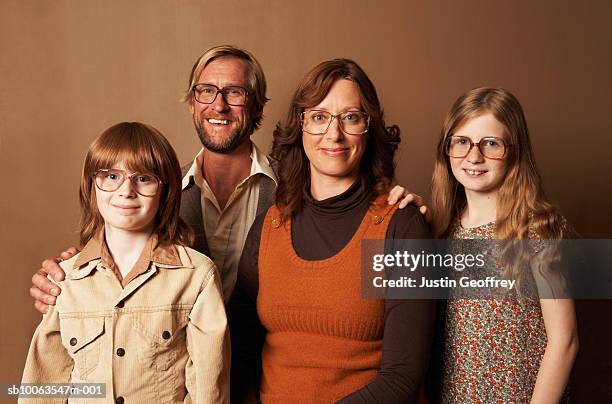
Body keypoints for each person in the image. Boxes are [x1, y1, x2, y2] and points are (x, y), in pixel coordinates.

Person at [29, 46, 422, 312]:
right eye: (205, 91)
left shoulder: (302, 189)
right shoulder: (155, 192)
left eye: (234, 92)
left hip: (262, 372)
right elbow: (115, 258)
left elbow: (358, 229)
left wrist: (405, 216)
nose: (218, 104)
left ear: (256, 107)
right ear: (192, 104)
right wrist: (67, 275)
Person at [229, 59, 435, 403]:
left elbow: (403, 377)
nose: (334, 134)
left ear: (370, 128)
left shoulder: (401, 226)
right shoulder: (270, 225)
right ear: (301, 126)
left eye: (351, 117)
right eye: (320, 117)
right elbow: (242, 353)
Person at [20, 122, 229, 403]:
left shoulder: (197, 276)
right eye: (111, 176)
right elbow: (43, 386)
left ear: (165, 189)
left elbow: (208, 389)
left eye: (143, 178)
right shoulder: (65, 279)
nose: (126, 190)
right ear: (92, 184)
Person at [430, 87, 578, 403]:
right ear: (447, 148)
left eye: (491, 144)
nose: (473, 156)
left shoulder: (537, 229)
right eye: (462, 142)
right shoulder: (442, 231)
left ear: (514, 150)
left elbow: (564, 340)